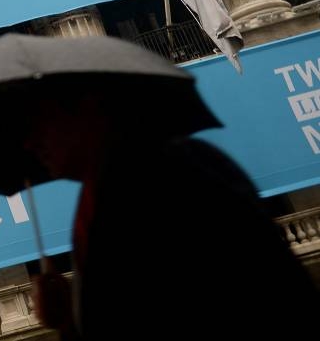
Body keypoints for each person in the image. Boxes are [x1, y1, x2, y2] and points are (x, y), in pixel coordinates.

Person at [24, 95, 318, 340]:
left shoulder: (173, 172)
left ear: (85, 111)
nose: (31, 144)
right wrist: (69, 319)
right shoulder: (96, 195)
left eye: (39, 126)